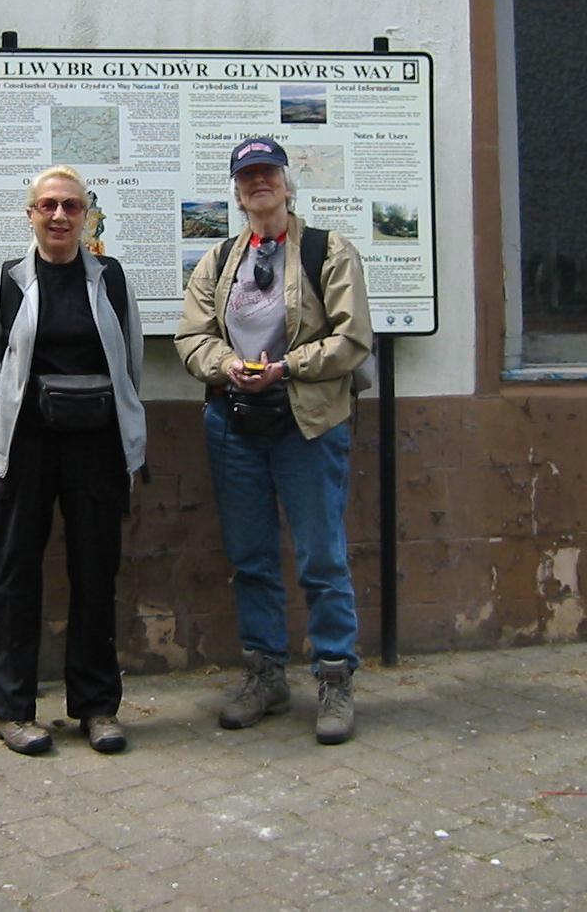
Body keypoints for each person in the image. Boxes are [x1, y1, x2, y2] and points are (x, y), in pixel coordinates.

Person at [175, 136, 373, 745]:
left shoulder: (327, 251)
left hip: (306, 422)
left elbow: (352, 339)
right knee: (251, 557)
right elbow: (192, 337)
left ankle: (335, 676)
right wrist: (227, 365)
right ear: (237, 193)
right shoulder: (217, 261)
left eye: (269, 173)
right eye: (248, 177)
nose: (259, 183)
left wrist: (287, 368)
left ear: (287, 185)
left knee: (321, 556)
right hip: (234, 424)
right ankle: (265, 674)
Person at [0, 165, 146, 755]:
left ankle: (96, 706)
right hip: (26, 449)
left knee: (95, 573)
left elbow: (131, 363)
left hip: (96, 446)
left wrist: (124, 429)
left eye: (71, 205)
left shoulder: (111, 279)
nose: (60, 216)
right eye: (48, 206)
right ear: (31, 215)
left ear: (87, 215)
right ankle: (12, 710)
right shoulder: (7, 282)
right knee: (14, 576)